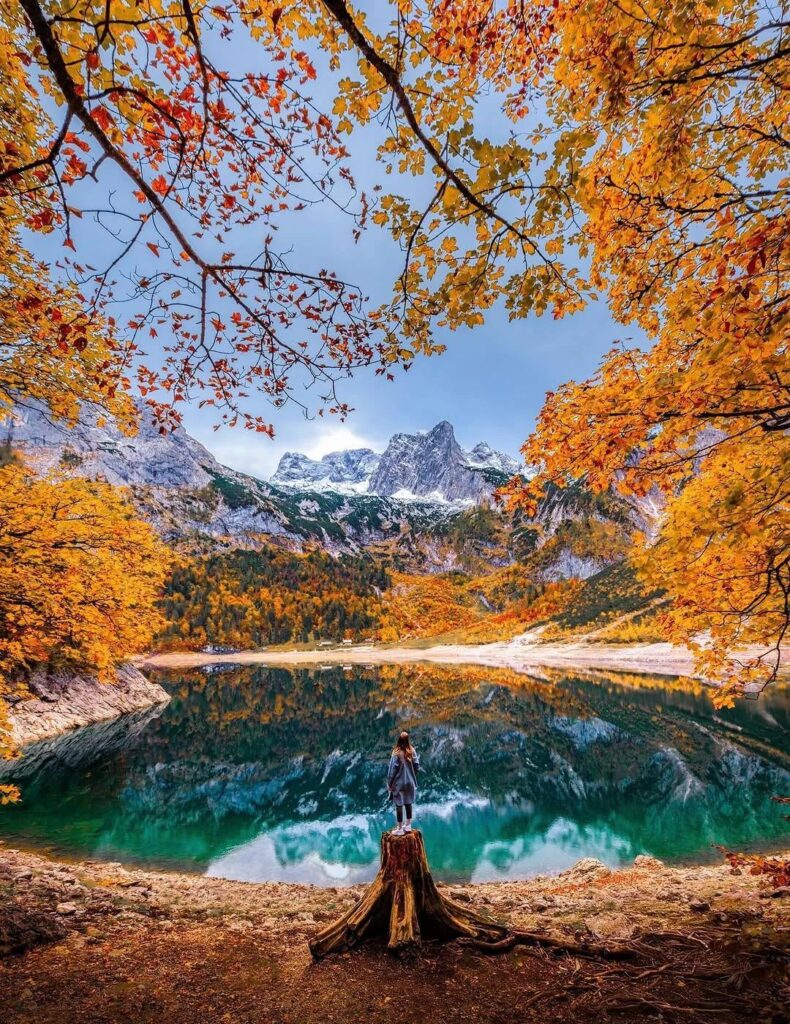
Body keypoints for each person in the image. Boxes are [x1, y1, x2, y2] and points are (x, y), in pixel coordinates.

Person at [387, 730, 420, 835]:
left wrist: (390, 784)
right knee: (408, 802)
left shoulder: (396, 753)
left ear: (399, 740)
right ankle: (408, 825)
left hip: (399, 784)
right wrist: (411, 775)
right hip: (410, 782)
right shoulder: (412, 751)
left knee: (399, 805)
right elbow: (416, 766)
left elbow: (392, 771)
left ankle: (400, 828)